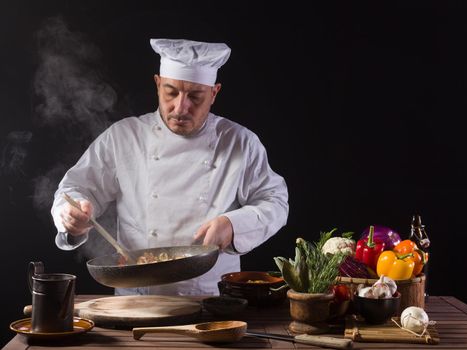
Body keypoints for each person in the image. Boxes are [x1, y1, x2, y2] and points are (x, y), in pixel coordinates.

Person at [50, 38, 289, 296]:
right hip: (137, 302)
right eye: (171, 92)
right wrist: (71, 214)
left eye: (195, 96)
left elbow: (275, 201)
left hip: (211, 302)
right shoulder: (123, 137)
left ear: (214, 93)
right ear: (157, 84)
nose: (180, 107)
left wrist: (234, 225)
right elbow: (76, 189)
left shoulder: (239, 142)